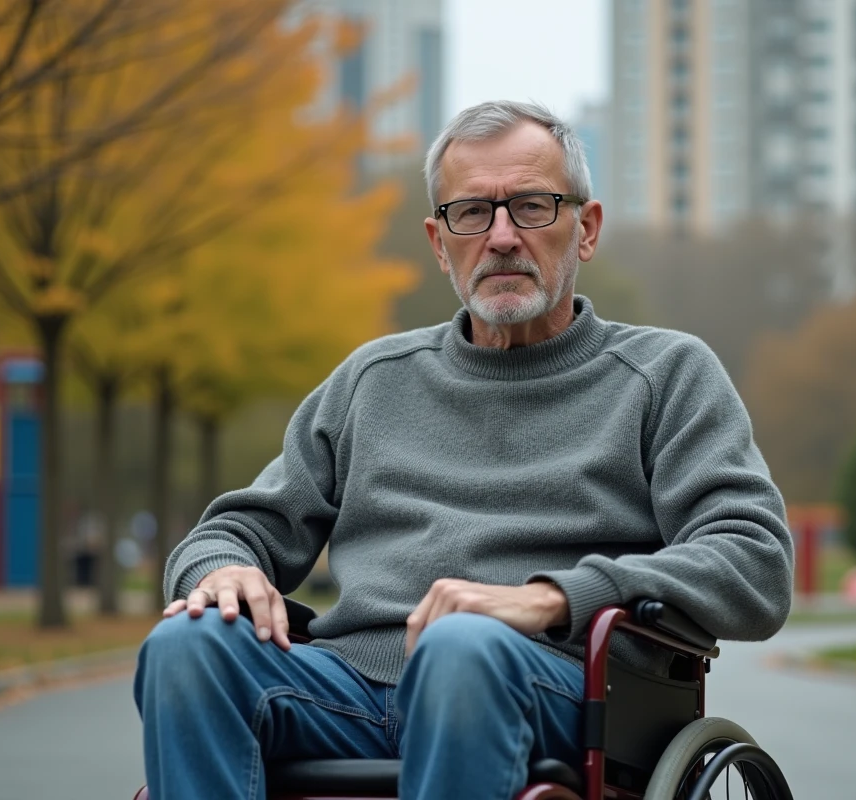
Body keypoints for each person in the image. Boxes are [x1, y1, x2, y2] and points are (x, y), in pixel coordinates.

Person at [134, 100, 794, 800]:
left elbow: (753, 560)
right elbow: (235, 528)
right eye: (472, 212)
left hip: (555, 687)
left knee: (461, 646)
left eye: (532, 207)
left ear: (587, 229)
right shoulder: (372, 380)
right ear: (438, 242)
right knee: (186, 646)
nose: (502, 237)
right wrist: (222, 568)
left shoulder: (666, 375)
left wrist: (552, 598)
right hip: (347, 690)